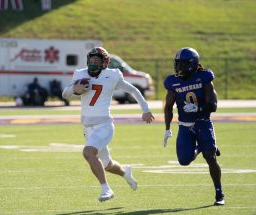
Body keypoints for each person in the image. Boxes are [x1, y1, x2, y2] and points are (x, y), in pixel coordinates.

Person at [62, 47, 154, 202]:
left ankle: (106, 189)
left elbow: (134, 91)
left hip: (104, 125)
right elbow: (65, 94)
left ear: (105, 63)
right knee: (107, 165)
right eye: (91, 59)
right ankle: (126, 173)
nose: (93, 63)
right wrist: (73, 88)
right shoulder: (80, 74)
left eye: (97, 60)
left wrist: (146, 110)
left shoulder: (112, 75)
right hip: (87, 127)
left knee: (88, 152)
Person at [163, 47, 224, 205]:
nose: (179, 67)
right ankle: (201, 147)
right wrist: (167, 128)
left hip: (203, 122)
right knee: (184, 160)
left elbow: (214, 105)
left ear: (192, 64)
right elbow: (168, 107)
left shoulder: (204, 77)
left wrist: (199, 108)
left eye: (182, 64)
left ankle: (219, 193)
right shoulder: (172, 82)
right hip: (185, 125)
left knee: (210, 157)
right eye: (177, 64)